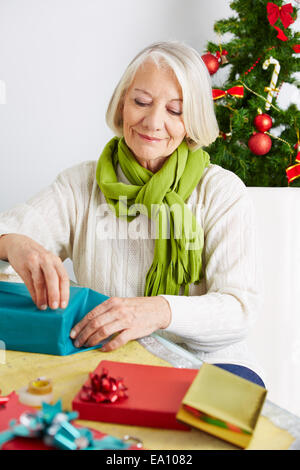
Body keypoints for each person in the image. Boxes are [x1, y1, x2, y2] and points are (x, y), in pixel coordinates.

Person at [0, 41, 265, 387]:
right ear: (122, 103)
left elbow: (239, 308)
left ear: (194, 118)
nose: (153, 122)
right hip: (107, 359)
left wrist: (157, 311)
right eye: (141, 102)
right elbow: (10, 232)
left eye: (175, 110)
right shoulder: (80, 184)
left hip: (209, 364)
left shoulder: (221, 192)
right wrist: (16, 243)